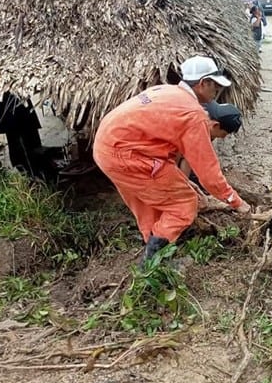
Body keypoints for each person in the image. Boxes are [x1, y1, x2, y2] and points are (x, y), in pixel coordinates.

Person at [93, 56, 251, 266]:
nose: (216, 94)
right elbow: (208, 172)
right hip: (129, 156)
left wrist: (181, 181)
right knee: (185, 204)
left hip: (106, 148)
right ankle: (150, 264)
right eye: (215, 87)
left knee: (149, 203)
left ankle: (153, 250)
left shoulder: (167, 91)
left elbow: (173, 153)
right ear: (204, 83)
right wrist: (235, 202)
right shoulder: (193, 114)